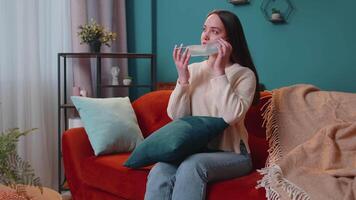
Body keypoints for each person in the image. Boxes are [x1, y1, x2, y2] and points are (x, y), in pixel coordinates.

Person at [145, 9, 260, 200]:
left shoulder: (244, 75)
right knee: (160, 170)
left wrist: (219, 72)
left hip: (234, 155)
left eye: (215, 31)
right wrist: (183, 79)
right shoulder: (192, 70)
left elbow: (231, 116)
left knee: (193, 165)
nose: (205, 36)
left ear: (229, 40)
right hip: (195, 150)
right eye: (204, 29)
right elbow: (177, 117)